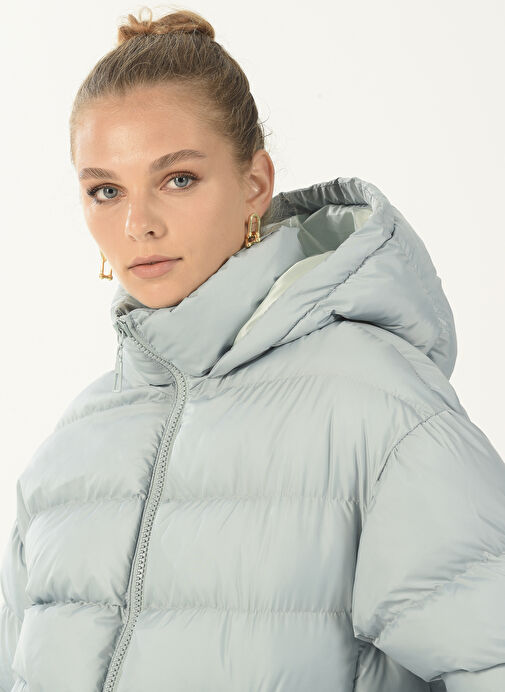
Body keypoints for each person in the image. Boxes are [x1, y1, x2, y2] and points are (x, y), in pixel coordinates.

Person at [1, 6, 504, 692]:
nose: (138, 223)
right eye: (105, 190)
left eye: (178, 178)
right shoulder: (70, 451)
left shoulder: (379, 410)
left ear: (255, 185)